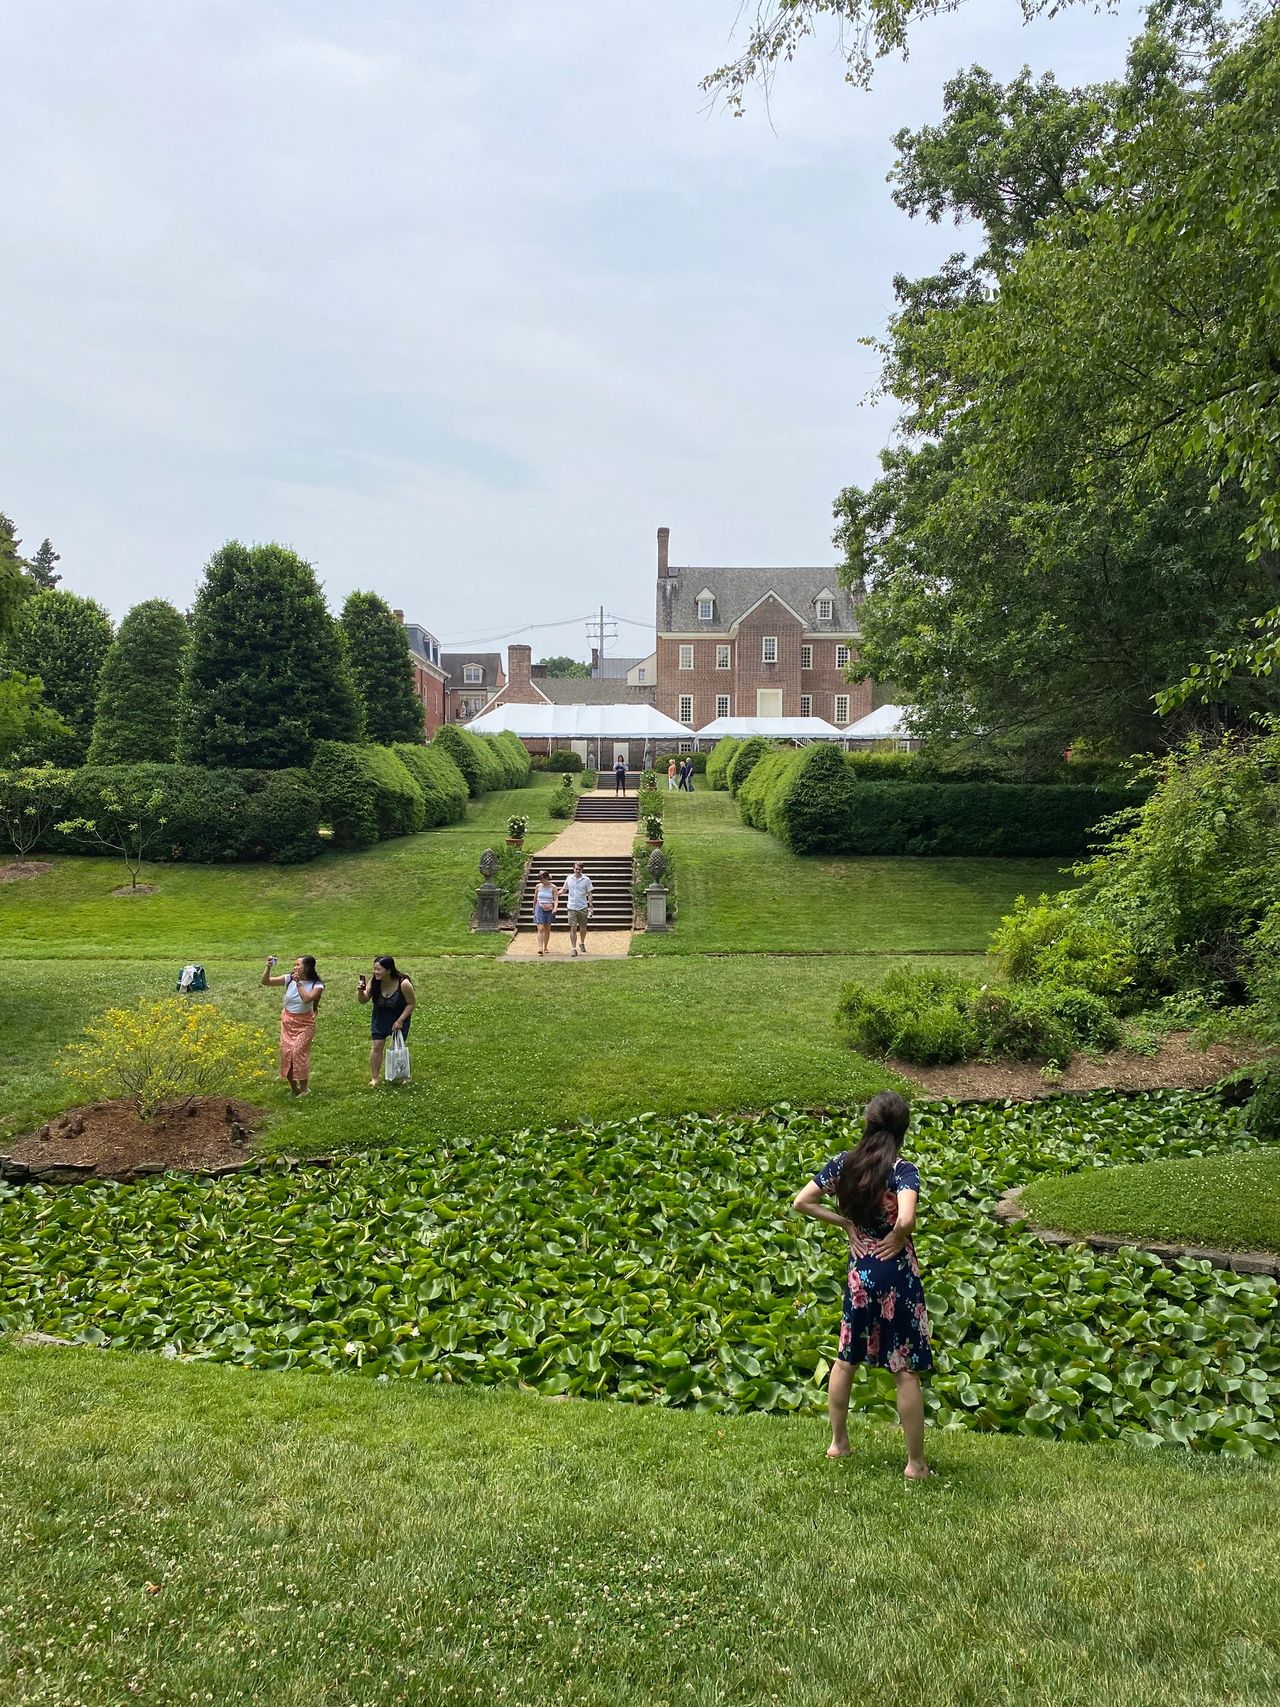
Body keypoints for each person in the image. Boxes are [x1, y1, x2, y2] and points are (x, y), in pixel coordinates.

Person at [792, 1090, 933, 1480]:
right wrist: (899, 1238)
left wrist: (846, 1224)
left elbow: (802, 1202)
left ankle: (838, 1444)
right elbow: (905, 1218)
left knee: (846, 1358)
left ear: (868, 1122)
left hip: (860, 1272)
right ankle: (915, 1465)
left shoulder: (844, 1165)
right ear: (902, 1129)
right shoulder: (903, 1171)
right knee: (903, 1369)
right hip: (895, 1273)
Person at [261, 954, 324, 1097]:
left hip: (305, 1024)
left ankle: (304, 1089)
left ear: (307, 968)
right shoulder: (289, 978)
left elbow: (307, 999)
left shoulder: (317, 985)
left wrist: (299, 984)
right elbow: (266, 982)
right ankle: (293, 1088)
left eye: (298, 965)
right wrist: (268, 967)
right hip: (288, 1022)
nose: (295, 967)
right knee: (286, 1052)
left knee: (297, 1052)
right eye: (295, 965)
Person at [357, 954, 417, 1088]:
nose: (375, 972)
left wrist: (400, 1021)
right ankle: (375, 1078)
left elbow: (411, 1003)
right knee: (377, 1046)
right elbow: (363, 1000)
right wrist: (361, 992)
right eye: (374, 969)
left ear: (389, 970)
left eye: (379, 969)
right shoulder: (375, 981)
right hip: (380, 1017)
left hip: (399, 1017)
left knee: (399, 1047)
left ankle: (406, 1076)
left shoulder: (403, 983)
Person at [558, 861, 593, 957]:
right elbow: (564, 889)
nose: (577, 871)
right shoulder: (569, 878)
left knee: (583, 928)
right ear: (573, 869)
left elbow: (589, 893)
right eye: (576, 869)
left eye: (579, 869)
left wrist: (591, 906)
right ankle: (573, 948)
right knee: (573, 927)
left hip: (582, 907)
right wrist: (555, 894)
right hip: (571, 906)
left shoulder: (586, 880)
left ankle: (582, 942)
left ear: (582, 870)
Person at [533, 869, 560, 956]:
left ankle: (545, 946)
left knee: (547, 929)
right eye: (540, 879)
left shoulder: (553, 887)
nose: (541, 881)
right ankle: (540, 948)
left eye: (542, 879)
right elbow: (535, 899)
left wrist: (555, 908)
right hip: (539, 907)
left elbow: (556, 899)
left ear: (546, 878)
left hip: (549, 908)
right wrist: (533, 908)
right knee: (540, 928)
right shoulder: (538, 886)